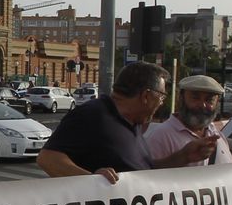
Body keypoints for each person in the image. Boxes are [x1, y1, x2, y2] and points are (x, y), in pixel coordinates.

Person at [37, 61, 213, 182]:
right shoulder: (93, 114)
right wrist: (92, 180)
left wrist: (184, 156)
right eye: (161, 98)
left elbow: (143, 172)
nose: (161, 104)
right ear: (146, 96)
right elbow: (48, 159)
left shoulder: (133, 123)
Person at [145, 74, 232, 167]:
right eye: (195, 98)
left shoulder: (217, 135)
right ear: (180, 99)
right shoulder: (161, 136)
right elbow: (146, 175)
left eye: (209, 100)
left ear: (217, 103)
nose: (202, 105)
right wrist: (182, 158)